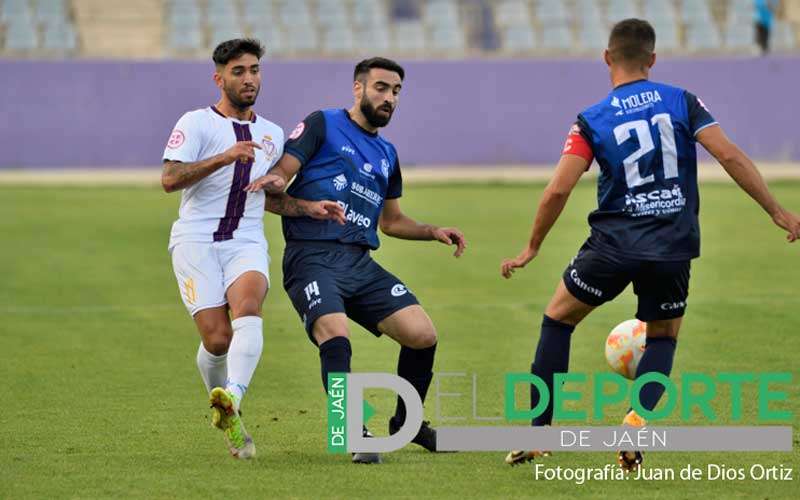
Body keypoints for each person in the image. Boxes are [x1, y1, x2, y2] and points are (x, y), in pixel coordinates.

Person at [499, 19, 800, 470]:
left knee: (558, 320)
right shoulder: (682, 101)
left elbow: (558, 189)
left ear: (607, 58)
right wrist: (778, 212)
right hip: (673, 246)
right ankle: (637, 422)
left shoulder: (592, 119)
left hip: (613, 246)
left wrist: (532, 247)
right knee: (663, 336)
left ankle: (538, 433)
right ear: (653, 59)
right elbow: (730, 154)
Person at [246, 57, 467, 464]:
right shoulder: (323, 124)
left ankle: (409, 424)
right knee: (335, 333)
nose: (389, 98)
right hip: (311, 257)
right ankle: (348, 429)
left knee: (423, 335)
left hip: (359, 263)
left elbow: (393, 221)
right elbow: (280, 178)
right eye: (381, 87)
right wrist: (280, 184)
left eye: (396, 91)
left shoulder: (387, 153)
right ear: (358, 88)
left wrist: (432, 231)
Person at [161, 38, 340, 459]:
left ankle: (233, 400)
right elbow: (169, 179)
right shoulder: (197, 122)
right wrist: (225, 158)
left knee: (249, 307)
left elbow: (268, 197)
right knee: (218, 340)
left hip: (245, 239)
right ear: (219, 78)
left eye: (254, 70)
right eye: (238, 71)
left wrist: (310, 207)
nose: (248, 79)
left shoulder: (272, 134)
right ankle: (228, 417)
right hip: (196, 241)